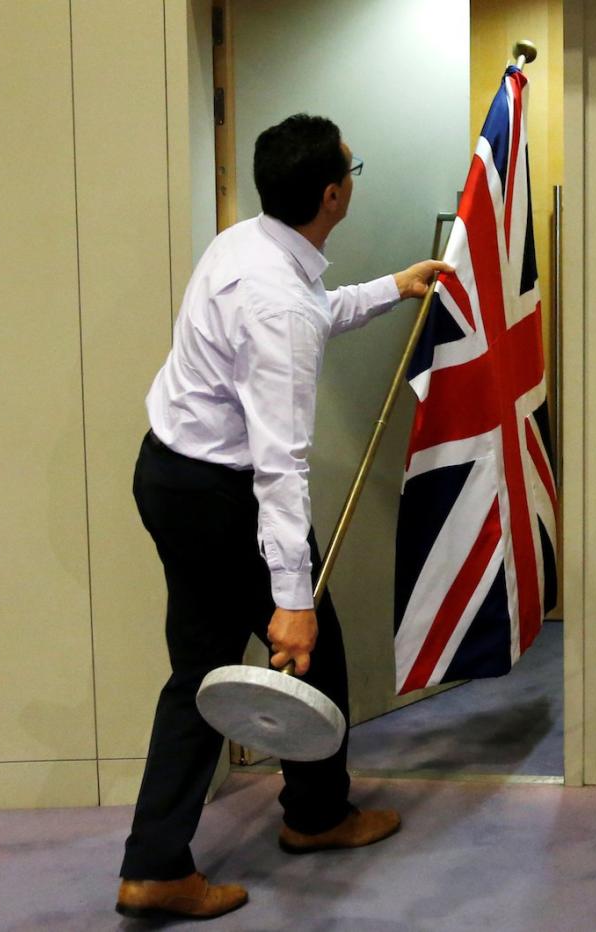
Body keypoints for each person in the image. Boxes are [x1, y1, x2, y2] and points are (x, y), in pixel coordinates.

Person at [115, 113, 452, 921]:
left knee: (201, 672)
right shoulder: (279, 306)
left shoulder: (248, 242)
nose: (353, 177)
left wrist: (387, 290)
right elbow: (280, 465)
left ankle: (179, 854)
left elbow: (308, 310)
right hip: (221, 495)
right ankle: (306, 820)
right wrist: (289, 602)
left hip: (168, 474)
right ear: (333, 194)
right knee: (299, 646)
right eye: (353, 166)